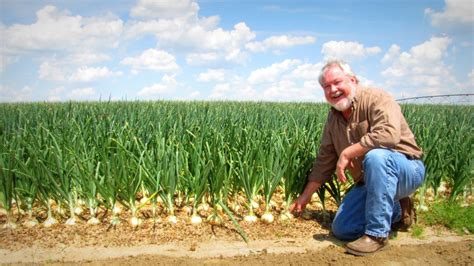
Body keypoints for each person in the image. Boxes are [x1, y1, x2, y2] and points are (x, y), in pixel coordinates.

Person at [289, 60, 425, 256]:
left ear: (353, 80)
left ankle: (377, 235)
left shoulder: (377, 98)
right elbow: (325, 160)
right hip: (370, 181)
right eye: (326, 86)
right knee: (343, 229)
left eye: (337, 82)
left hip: (406, 171)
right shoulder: (334, 117)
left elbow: (388, 134)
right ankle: (398, 208)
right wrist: (305, 197)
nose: (333, 89)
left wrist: (348, 152)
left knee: (376, 157)